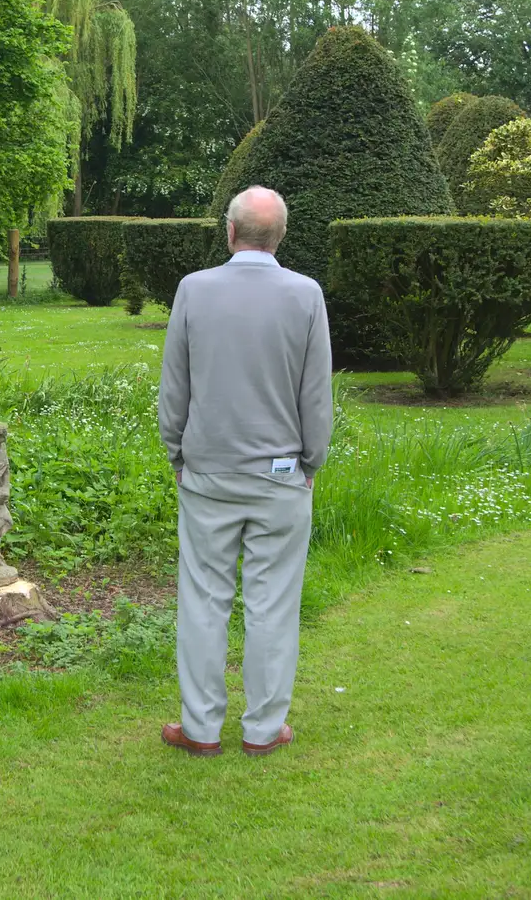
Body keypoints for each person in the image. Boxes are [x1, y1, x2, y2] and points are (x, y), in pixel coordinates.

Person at [157, 186, 333, 757]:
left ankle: (201, 728)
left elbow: (174, 388)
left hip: (208, 473)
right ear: (280, 237)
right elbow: (316, 395)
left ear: (229, 233)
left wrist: (177, 454)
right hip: (282, 476)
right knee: (273, 604)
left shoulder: (193, 290)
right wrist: (311, 461)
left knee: (203, 600)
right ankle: (264, 730)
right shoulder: (306, 295)